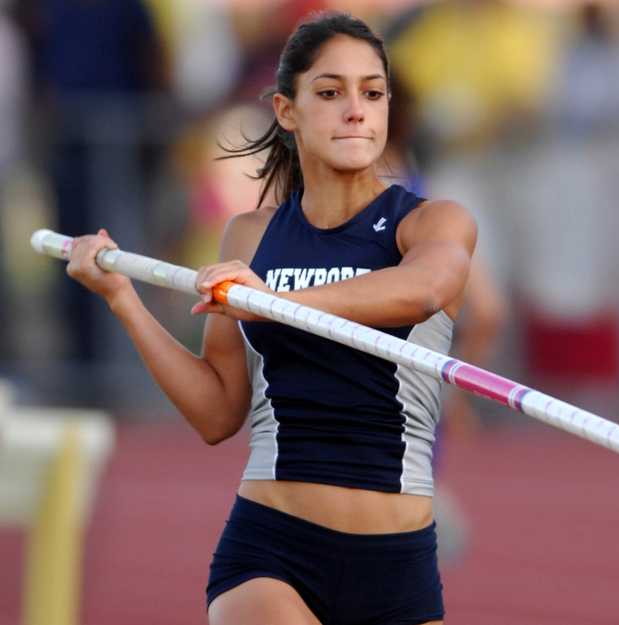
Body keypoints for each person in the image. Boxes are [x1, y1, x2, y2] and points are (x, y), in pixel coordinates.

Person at [65, 12, 476, 625]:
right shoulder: (251, 236)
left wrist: (273, 304)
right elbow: (216, 413)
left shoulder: (433, 222)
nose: (356, 110)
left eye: (372, 92)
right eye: (331, 93)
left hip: (398, 564)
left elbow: (424, 291)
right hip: (272, 549)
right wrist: (122, 298)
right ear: (287, 110)